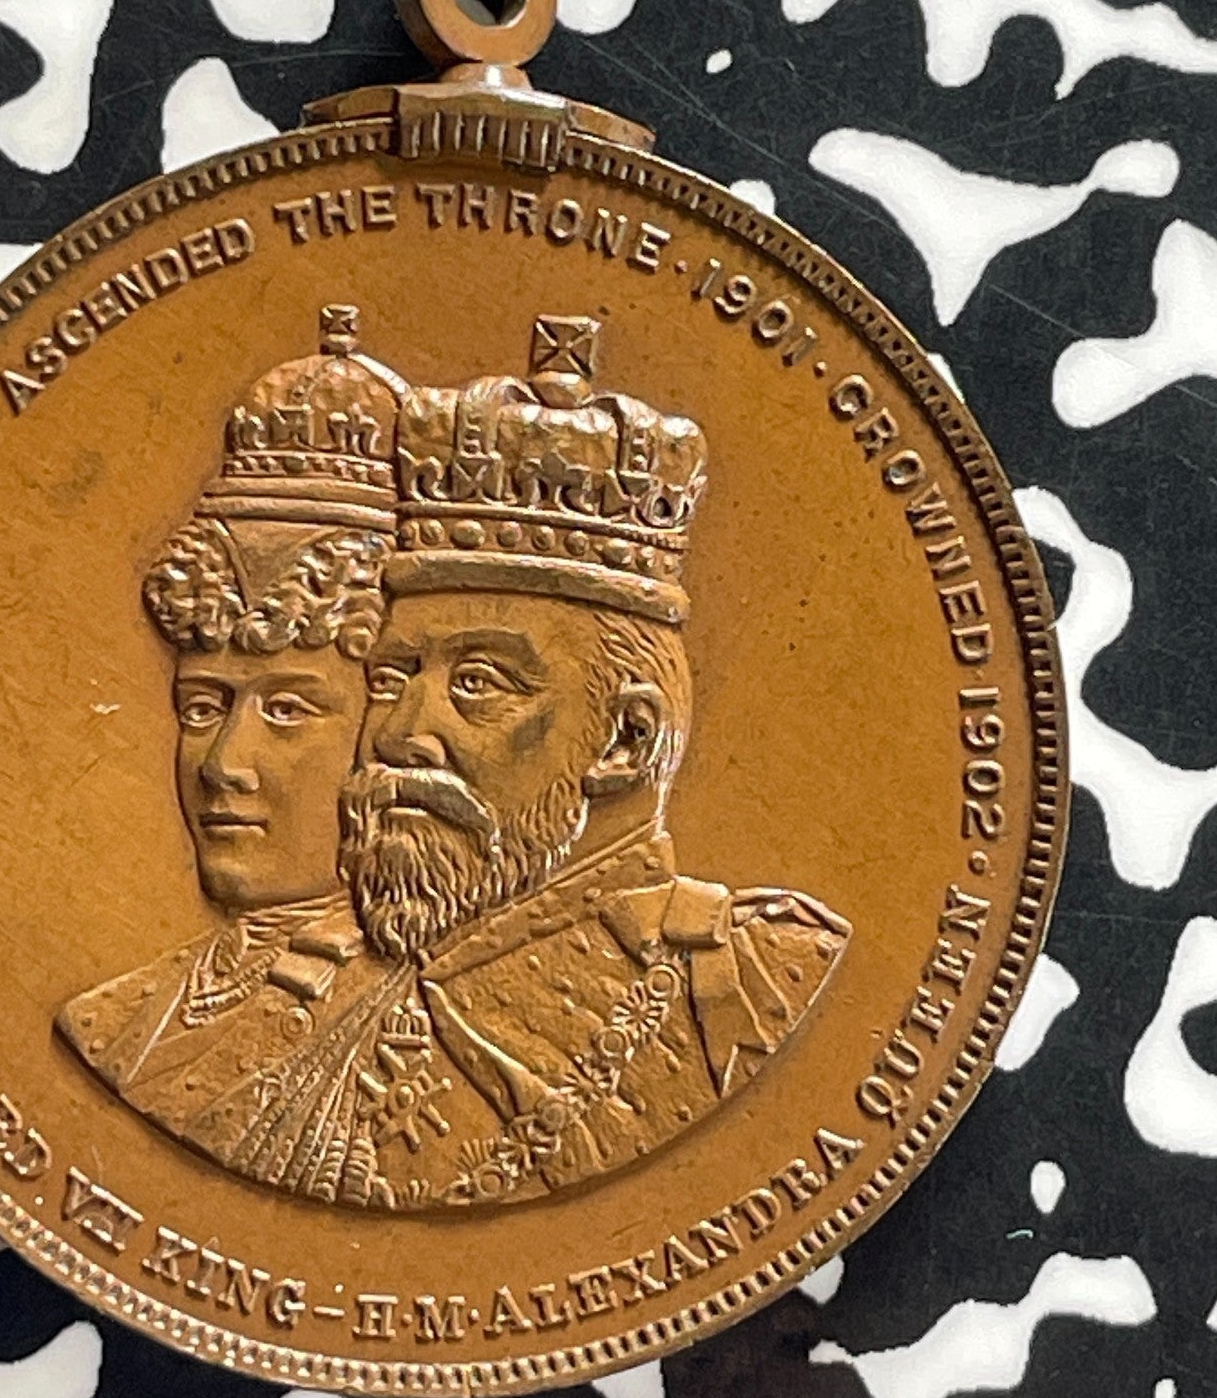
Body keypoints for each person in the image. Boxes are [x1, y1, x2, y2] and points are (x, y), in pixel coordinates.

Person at [186, 315, 852, 1210]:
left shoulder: (759, 983)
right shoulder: (277, 1009)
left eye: (478, 684)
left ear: (625, 741)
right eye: (393, 679)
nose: (398, 734)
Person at [55, 308, 414, 1197]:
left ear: (392, 732)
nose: (224, 763)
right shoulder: (114, 1018)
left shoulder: (434, 1030)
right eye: (203, 705)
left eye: (288, 709)